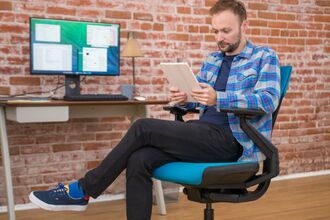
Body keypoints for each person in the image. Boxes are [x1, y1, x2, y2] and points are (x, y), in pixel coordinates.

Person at [29, 0, 280, 219]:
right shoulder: (213, 60)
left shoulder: (264, 56)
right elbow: (200, 101)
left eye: (226, 30)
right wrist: (185, 98)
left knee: (143, 126)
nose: (219, 38)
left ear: (244, 26)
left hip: (232, 142)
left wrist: (220, 98)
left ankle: (82, 191)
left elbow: (268, 100)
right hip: (202, 133)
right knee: (140, 159)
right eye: (215, 31)